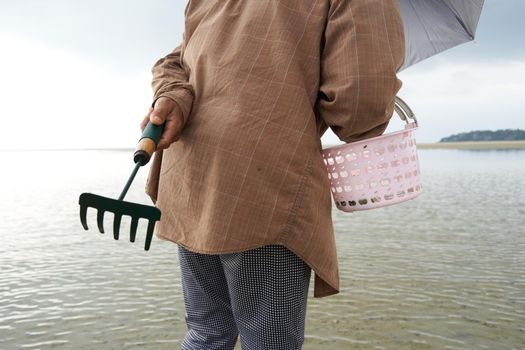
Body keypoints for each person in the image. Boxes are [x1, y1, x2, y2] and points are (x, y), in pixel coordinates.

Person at [140, 1, 405, 349]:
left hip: (190, 181)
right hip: (265, 190)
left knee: (207, 334)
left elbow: (174, 61)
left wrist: (172, 95)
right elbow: (356, 109)